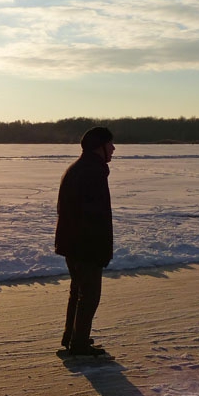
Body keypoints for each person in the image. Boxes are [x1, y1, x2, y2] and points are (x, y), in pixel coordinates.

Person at [55, 127, 115, 356]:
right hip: (85, 245)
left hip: (73, 243)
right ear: (99, 147)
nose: (113, 148)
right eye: (109, 144)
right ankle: (78, 343)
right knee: (89, 295)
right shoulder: (92, 172)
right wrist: (100, 250)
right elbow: (94, 216)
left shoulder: (80, 168)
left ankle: (72, 337)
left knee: (78, 292)